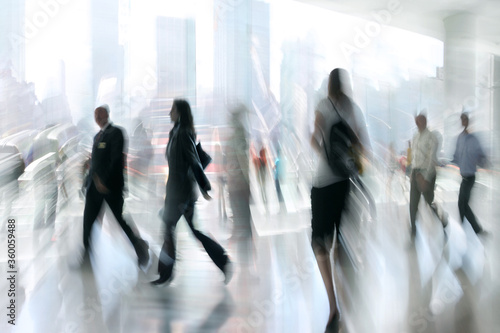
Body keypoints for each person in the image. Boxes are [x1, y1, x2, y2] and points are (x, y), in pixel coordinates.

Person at [310, 68, 370, 332]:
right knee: (337, 240)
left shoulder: (324, 105)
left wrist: (324, 154)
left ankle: (334, 305)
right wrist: (347, 161)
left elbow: (314, 138)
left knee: (318, 242)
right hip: (344, 184)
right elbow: (362, 147)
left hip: (324, 182)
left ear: (328, 85)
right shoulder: (353, 108)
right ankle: (348, 279)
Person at [151, 99, 232, 285]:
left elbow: (194, 161)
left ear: (179, 112)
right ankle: (224, 261)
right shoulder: (176, 132)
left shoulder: (183, 133)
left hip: (180, 193)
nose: (169, 113)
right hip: (177, 191)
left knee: (168, 229)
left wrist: (204, 186)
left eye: (172, 109)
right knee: (191, 230)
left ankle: (165, 274)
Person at [82, 105, 149, 268]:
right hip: (94, 189)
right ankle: (86, 259)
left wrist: (103, 181)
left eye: (100, 113)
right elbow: (97, 161)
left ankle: (141, 249)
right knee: (88, 223)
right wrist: (88, 172)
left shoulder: (116, 133)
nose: (97, 117)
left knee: (120, 221)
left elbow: (116, 161)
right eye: (95, 114)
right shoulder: (97, 136)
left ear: (107, 115)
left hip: (110, 188)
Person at [409, 113, 446, 240]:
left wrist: (426, 178)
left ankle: (442, 218)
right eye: (416, 121)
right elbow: (414, 157)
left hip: (426, 173)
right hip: (415, 173)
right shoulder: (415, 137)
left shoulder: (431, 137)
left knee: (429, 202)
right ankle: (413, 231)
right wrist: (412, 173)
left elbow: (432, 160)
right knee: (413, 204)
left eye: (419, 120)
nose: (417, 123)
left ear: (424, 121)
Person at [452, 112, 488, 234]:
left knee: (463, 204)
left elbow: (481, 155)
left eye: (465, 119)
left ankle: (473, 229)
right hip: (464, 177)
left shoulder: (474, 139)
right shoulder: (460, 138)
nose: (463, 122)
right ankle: (468, 228)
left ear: (468, 121)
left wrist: (483, 161)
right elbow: (456, 156)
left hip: (470, 177)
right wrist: (445, 163)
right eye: (462, 120)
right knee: (462, 204)